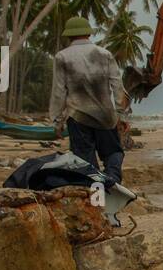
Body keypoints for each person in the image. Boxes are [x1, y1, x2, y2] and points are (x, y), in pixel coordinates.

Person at [49, 16, 126, 184]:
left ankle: (93, 190)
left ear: (68, 36)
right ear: (88, 34)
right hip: (106, 115)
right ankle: (112, 179)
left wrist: (57, 120)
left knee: (85, 160)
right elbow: (117, 86)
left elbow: (59, 91)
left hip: (78, 116)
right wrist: (122, 114)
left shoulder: (62, 57)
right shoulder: (104, 54)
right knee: (113, 152)